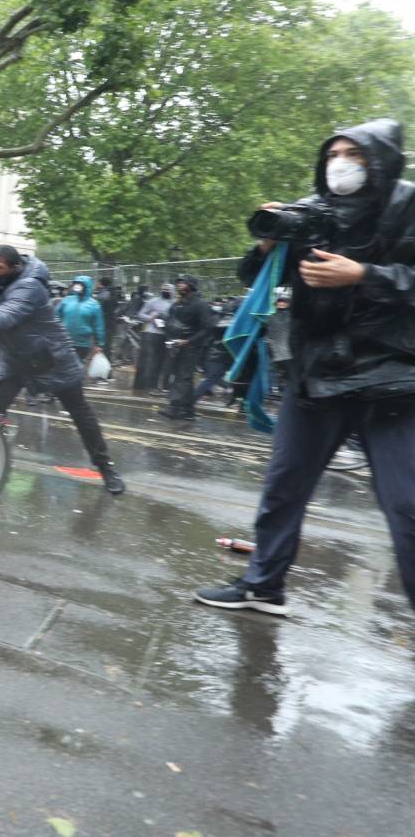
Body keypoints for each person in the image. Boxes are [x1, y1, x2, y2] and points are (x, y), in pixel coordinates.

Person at [196, 119, 415, 616]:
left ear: (380, 162)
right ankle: (263, 586)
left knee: (406, 504)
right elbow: (253, 278)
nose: (340, 164)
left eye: (354, 155)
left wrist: (363, 274)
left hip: (393, 380)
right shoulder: (311, 210)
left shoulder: (408, 207)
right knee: (283, 487)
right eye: (333, 154)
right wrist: (267, 245)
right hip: (315, 375)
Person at [0, 245, 126, 495]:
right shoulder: (8, 282)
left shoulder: (30, 286)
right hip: (16, 359)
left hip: (52, 358)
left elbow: (7, 314)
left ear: (15, 267)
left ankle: (106, 468)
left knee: (82, 415)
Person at [159, 274, 216, 421]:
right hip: (176, 345)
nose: (179, 285)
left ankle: (174, 407)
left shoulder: (200, 305)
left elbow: (208, 328)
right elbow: (170, 320)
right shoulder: (178, 304)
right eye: (178, 282)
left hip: (191, 348)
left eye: (183, 283)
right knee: (185, 378)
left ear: (191, 286)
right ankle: (188, 410)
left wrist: (189, 341)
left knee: (182, 377)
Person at [58, 275, 107, 380]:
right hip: (64, 340)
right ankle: (60, 391)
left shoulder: (94, 305)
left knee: (76, 368)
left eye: (80, 285)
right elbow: (55, 317)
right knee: (62, 367)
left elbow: (98, 325)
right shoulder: (67, 300)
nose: (77, 287)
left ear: (86, 287)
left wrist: (100, 343)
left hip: (82, 343)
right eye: (76, 284)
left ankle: (74, 389)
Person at [133, 284, 174, 394]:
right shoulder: (153, 301)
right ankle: (143, 385)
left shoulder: (174, 304)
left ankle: (153, 385)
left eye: (168, 289)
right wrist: (150, 318)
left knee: (158, 362)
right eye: (163, 289)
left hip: (164, 334)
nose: (165, 291)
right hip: (151, 333)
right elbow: (140, 314)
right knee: (149, 360)